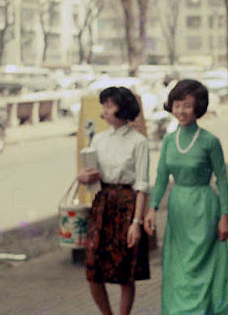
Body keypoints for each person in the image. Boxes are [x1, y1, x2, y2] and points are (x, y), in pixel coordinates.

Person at [144, 79, 228, 315]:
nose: (181, 111)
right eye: (177, 104)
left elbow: (222, 179)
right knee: (179, 265)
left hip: (204, 208)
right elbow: (162, 177)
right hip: (178, 210)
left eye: (187, 105)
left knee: (200, 265)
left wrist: (225, 216)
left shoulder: (210, 142)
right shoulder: (169, 141)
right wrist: (152, 208)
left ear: (199, 107)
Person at [78, 87, 150, 315]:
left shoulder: (138, 142)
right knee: (93, 269)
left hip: (127, 206)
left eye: (110, 106)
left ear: (123, 109)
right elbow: (89, 176)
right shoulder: (98, 139)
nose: (105, 111)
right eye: (104, 106)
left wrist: (136, 222)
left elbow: (143, 184)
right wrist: (83, 177)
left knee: (124, 272)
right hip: (102, 205)